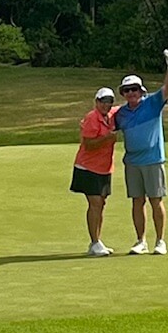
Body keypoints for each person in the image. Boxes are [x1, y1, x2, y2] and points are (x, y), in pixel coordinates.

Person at [114, 48, 168, 255]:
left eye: (134, 89)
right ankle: (140, 241)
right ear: (123, 94)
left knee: (156, 200)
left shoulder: (152, 103)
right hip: (132, 162)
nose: (131, 93)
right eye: (127, 90)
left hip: (152, 160)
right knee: (137, 201)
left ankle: (160, 241)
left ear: (142, 91)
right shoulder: (121, 114)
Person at [70, 87, 119, 256]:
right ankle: (95, 242)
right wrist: (107, 138)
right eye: (103, 101)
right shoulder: (92, 118)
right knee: (95, 203)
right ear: (96, 102)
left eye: (109, 101)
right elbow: (88, 144)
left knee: (101, 204)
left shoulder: (111, 115)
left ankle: (96, 241)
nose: (106, 104)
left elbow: (129, 107)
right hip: (87, 167)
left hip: (104, 168)